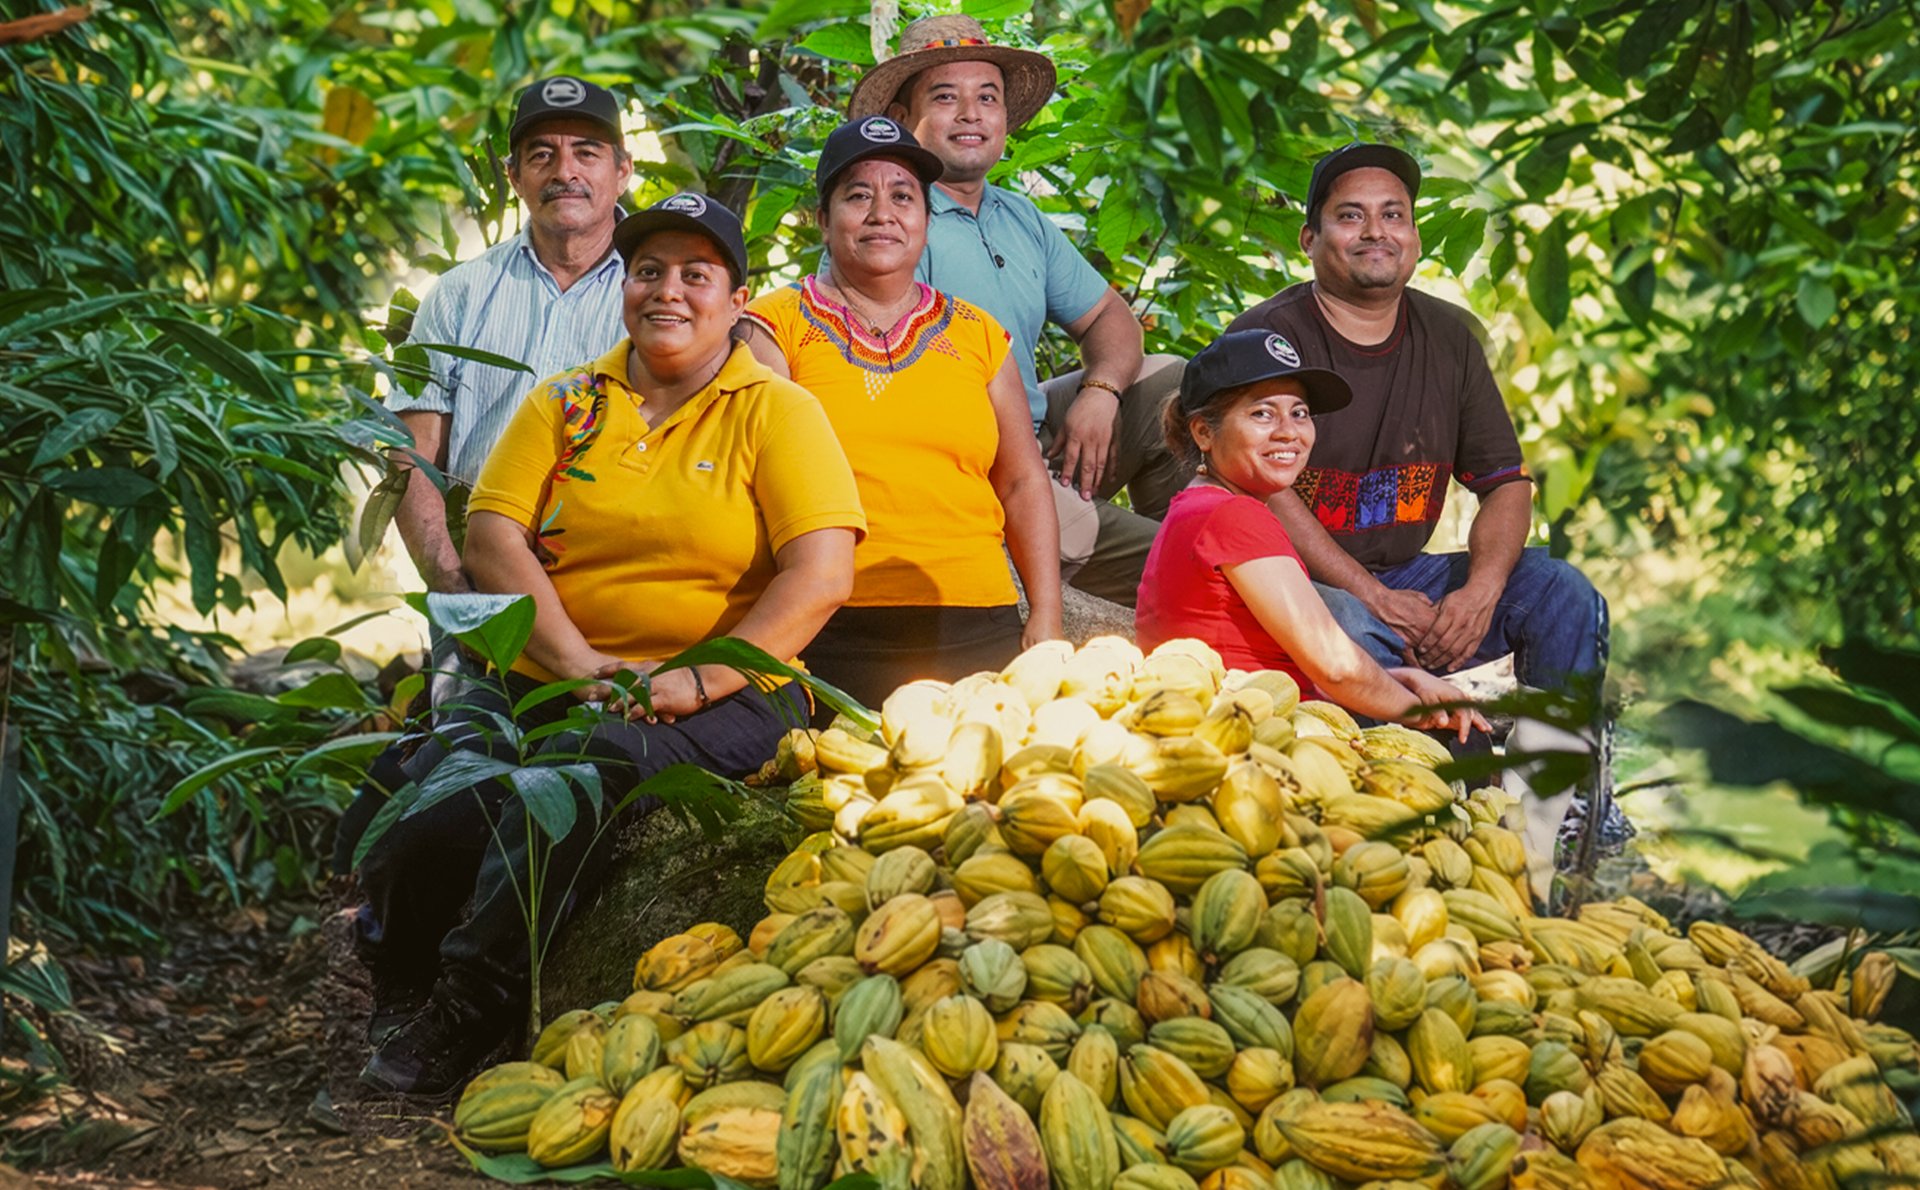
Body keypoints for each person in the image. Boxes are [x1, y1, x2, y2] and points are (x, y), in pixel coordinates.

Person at [354, 195, 865, 1095]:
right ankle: (397, 973)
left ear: (738, 299)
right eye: (649, 271)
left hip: (729, 690)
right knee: (419, 796)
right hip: (552, 672)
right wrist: (581, 667)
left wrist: (693, 681)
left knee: (573, 771)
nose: (668, 290)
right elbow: (493, 538)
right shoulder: (567, 398)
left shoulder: (776, 411)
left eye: (695, 274)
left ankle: (476, 1003)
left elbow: (819, 575)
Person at [1227, 143, 1615, 891]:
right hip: (1300, 582)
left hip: (1409, 575)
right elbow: (1263, 491)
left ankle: (1543, 826)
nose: (1376, 231)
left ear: (1414, 236)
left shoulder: (1450, 337)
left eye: (1393, 215)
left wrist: (1478, 593)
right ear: (1310, 239)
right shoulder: (1268, 337)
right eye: (1350, 215)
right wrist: (1371, 596)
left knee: (1561, 592)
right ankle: (1456, 794)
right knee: (1353, 624)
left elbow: (1506, 482)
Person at [846, 16, 1186, 606]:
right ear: (904, 120)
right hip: (970, 466)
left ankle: (1183, 526)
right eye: (946, 97)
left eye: (988, 98)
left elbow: (1110, 318)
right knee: (1190, 565)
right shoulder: (892, 221)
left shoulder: (1016, 215)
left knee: (1174, 382)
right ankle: (1176, 562)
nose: (971, 114)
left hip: (1037, 435)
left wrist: (1101, 394)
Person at [740, 117, 1061, 708]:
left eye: (903, 196)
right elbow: (754, 483)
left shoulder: (977, 333)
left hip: (974, 618)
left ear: (925, 220)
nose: (882, 212)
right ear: (823, 219)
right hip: (824, 622)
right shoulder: (773, 325)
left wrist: (1046, 614)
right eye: (858, 195)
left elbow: (1020, 480)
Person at [1138, 330, 1488, 742]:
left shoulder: (1199, 505)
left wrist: (1399, 678)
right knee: (1464, 741)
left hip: (1250, 716)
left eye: (1300, 413)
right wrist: (1417, 711)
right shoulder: (1232, 514)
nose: (1289, 432)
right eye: (1262, 414)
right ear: (1203, 433)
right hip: (1244, 735)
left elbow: (1276, 655)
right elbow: (1334, 666)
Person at [388, 76, 634, 601]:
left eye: (586, 153)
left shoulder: (665, 295)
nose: (564, 172)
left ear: (623, 170)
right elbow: (412, 455)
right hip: (475, 577)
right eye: (541, 155)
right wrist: (451, 583)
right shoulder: (458, 294)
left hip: (618, 584)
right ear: (514, 176)